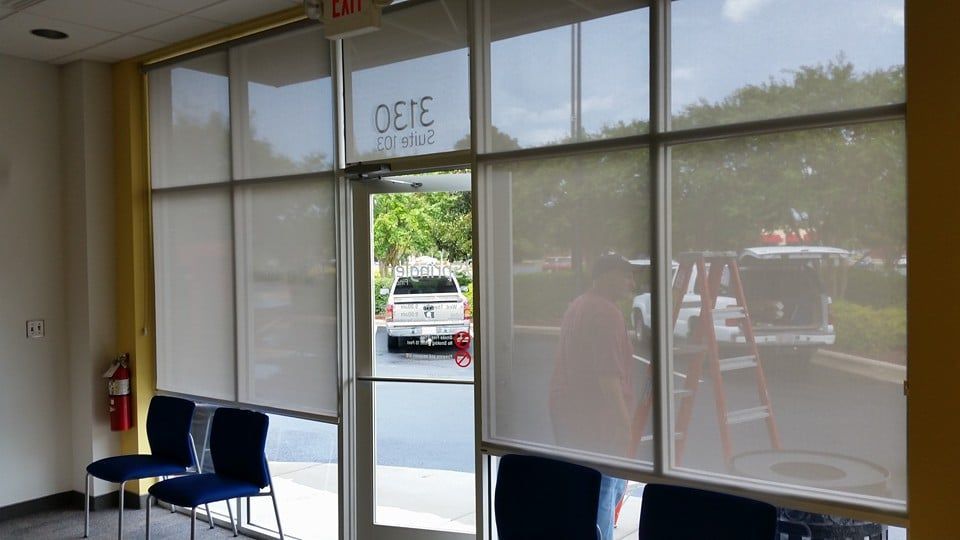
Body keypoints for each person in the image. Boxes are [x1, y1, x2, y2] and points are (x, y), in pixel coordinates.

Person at [549, 253, 638, 539]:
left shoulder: (579, 305)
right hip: (596, 420)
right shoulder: (606, 313)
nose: (631, 282)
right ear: (604, 277)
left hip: (570, 414)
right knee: (605, 489)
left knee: (584, 489)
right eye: (625, 275)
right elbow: (608, 378)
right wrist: (625, 426)